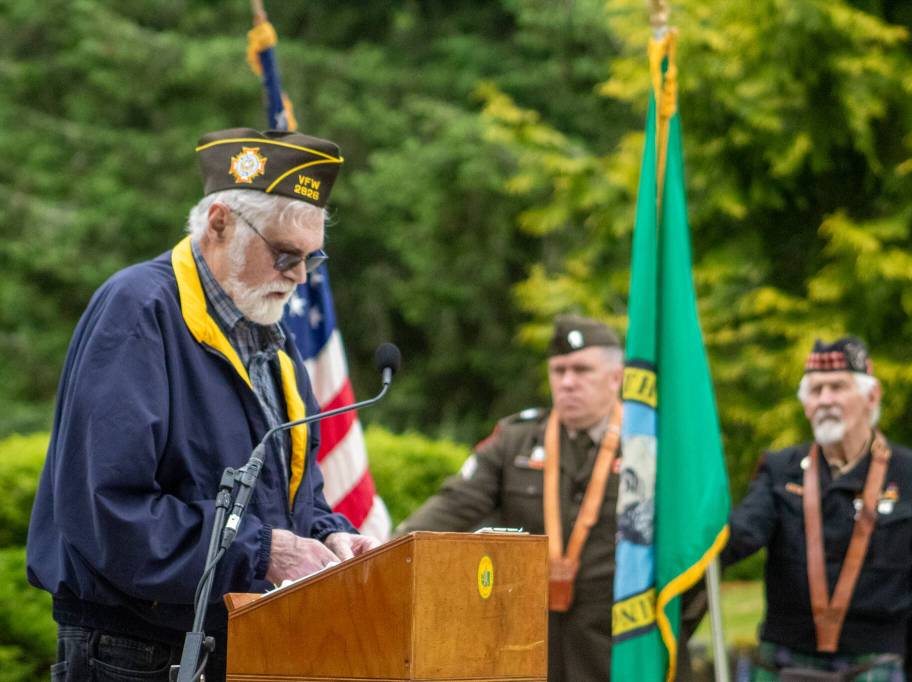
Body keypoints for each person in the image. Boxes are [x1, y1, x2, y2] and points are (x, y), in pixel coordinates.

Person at [26, 128, 379, 681]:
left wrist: (327, 535)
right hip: (133, 650)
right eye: (286, 255)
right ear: (219, 223)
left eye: (314, 258)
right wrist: (264, 554)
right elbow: (108, 511)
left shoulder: (271, 341)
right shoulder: (138, 311)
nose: (300, 278)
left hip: (239, 638)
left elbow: (293, 503)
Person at [722, 337, 912, 681]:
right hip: (782, 664)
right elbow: (741, 535)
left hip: (872, 665)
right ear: (805, 404)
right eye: (815, 390)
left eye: (838, 387)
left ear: (872, 396)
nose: (825, 400)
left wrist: (898, 663)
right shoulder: (781, 470)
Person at [397, 315, 624, 682]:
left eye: (582, 370)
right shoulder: (516, 439)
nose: (567, 382)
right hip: (529, 644)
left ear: (617, 377)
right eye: (559, 370)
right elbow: (453, 506)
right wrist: (391, 553)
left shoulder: (649, 448)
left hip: (615, 647)